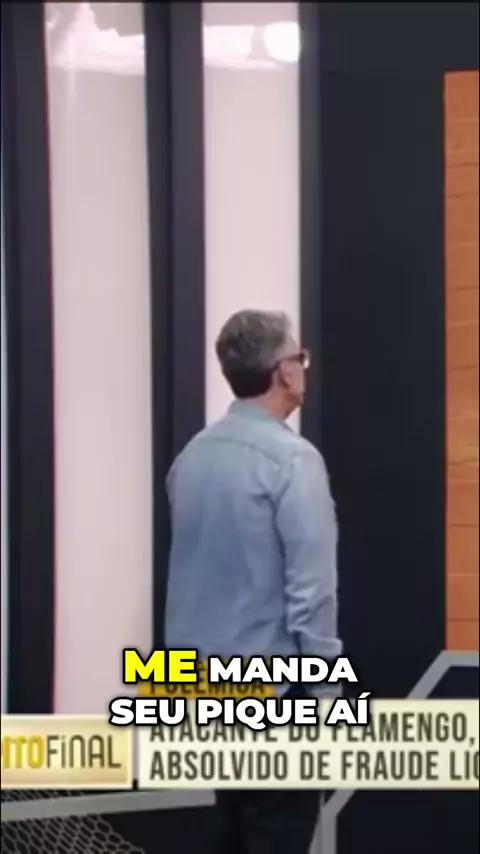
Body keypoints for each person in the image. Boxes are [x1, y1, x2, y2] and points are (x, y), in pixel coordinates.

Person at [165, 309, 341, 854]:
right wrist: (327, 696)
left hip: (202, 691)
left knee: (229, 832)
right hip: (274, 696)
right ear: (283, 371)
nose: (304, 368)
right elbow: (312, 594)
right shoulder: (292, 461)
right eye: (299, 357)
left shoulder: (191, 457)